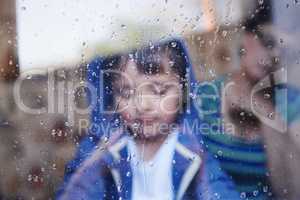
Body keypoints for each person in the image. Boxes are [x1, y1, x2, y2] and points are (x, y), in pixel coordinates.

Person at [56, 39, 240, 199]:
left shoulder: (192, 149)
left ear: (183, 92)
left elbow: (218, 190)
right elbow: (77, 191)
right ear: (112, 98)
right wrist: (100, 158)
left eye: (159, 91)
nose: (143, 105)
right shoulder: (103, 147)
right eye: (126, 93)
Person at [195, 1, 300, 200]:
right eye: (268, 42)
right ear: (246, 38)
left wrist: (266, 113)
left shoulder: (293, 103)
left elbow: (293, 191)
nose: (274, 54)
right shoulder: (205, 96)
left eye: (283, 49)